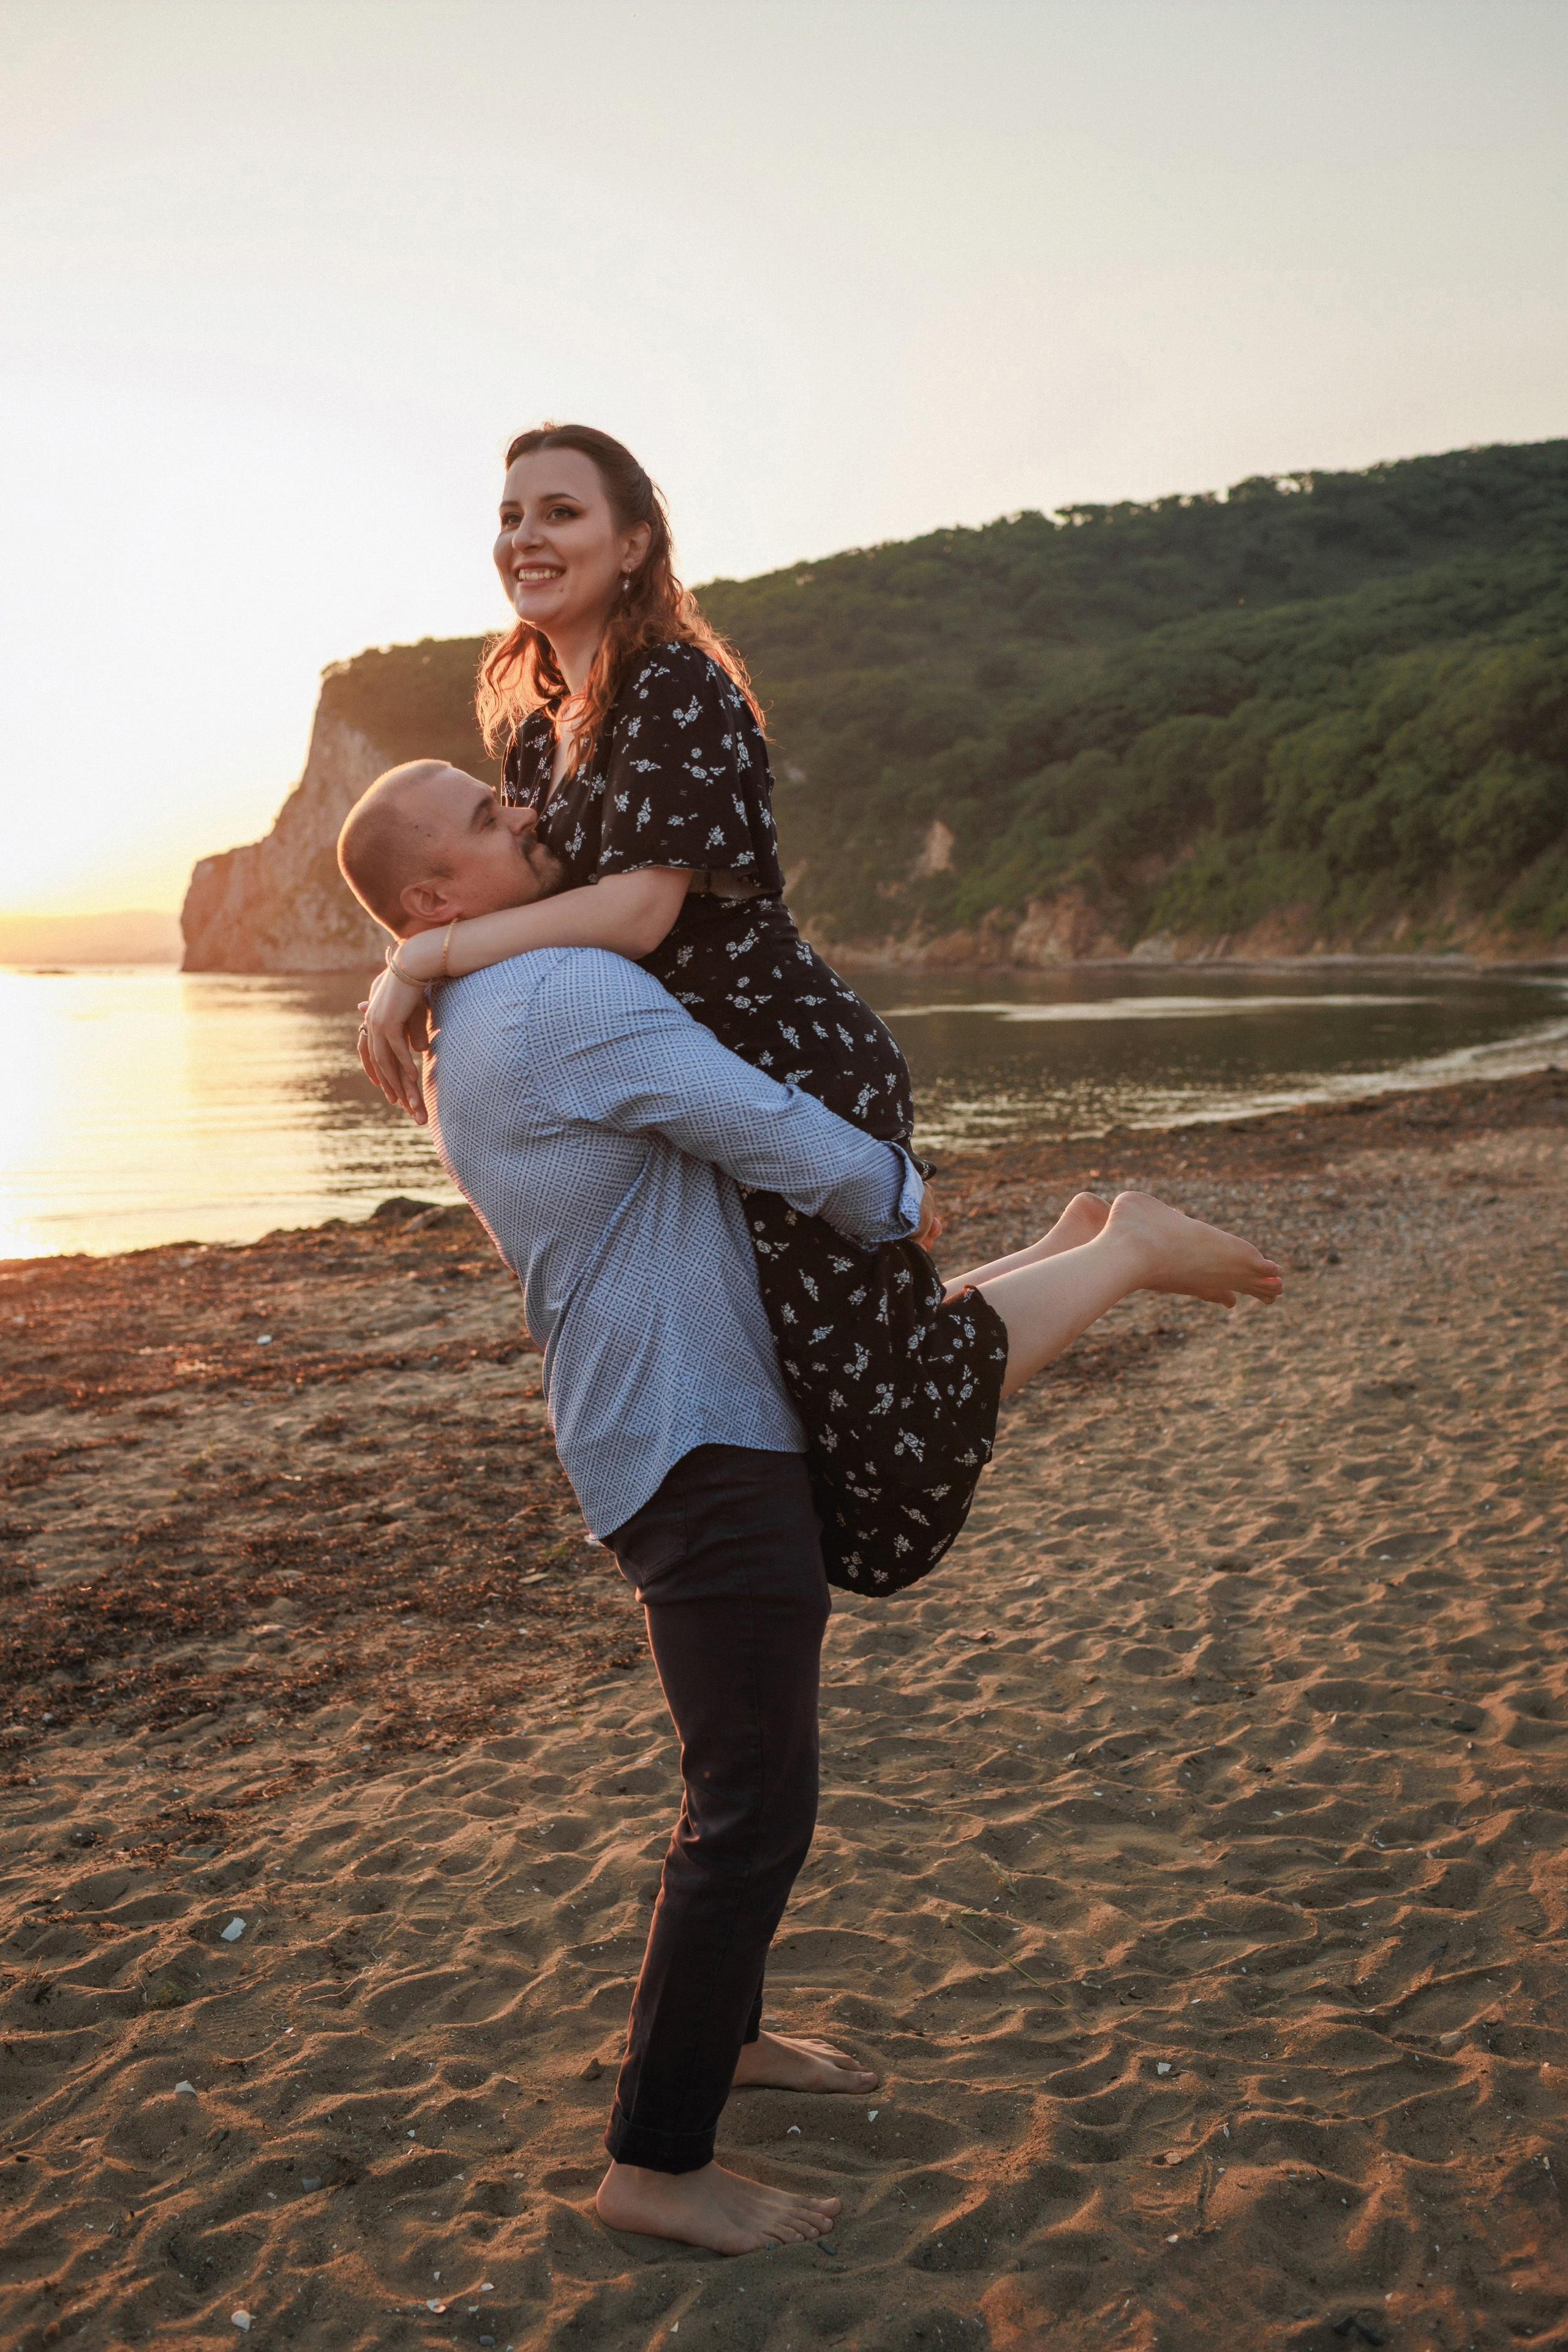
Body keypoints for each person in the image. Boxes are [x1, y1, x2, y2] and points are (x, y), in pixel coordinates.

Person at [337, 760, 1283, 2259]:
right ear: (434, 897)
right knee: (752, 1804)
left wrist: (419, 967)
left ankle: (736, 2036)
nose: (527, 814)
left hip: (673, 1419)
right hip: (692, 1444)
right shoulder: (560, 995)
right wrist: (886, 1185)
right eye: (486, 819)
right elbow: (748, 1115)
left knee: (742, 1776)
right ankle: (653, 2162)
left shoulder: (476, 1015)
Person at [354, 423, 1027, 1597]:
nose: (527, 537)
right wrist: (420, 960)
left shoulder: (672, 683)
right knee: (810, 1414)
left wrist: (424, 959)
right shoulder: (529, 734)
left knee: (878, 1420)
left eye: (561, 513)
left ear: (634, 542)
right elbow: (524, 899)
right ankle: (1084, 1243)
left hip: (782, 1056)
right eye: (512, 517)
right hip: (675, 1082)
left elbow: (636, 916)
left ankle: (1122, 1249)